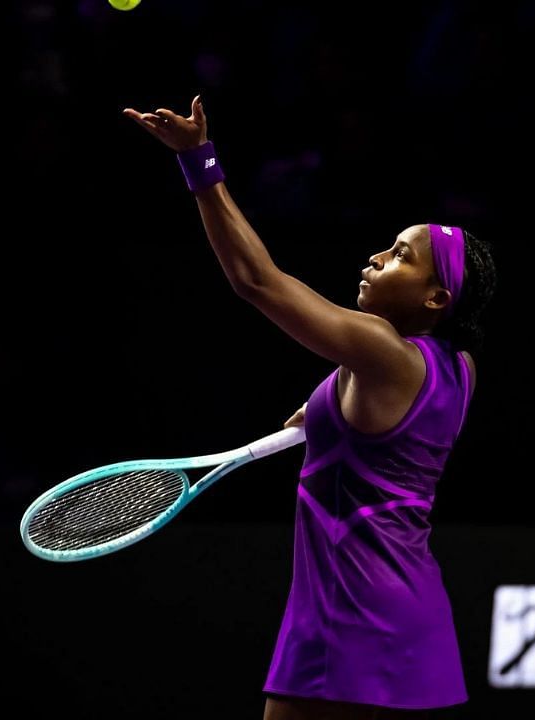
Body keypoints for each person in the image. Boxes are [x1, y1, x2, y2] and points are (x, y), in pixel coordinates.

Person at [123, 96, 496, 719]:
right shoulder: (458, 369)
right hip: (416, 620)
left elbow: (257, 281)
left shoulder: (381, 352)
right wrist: (319, 415)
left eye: (401, 255)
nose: (376, 258)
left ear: (437, 298)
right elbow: (379, 433)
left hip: (348, 617)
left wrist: (198, 161)